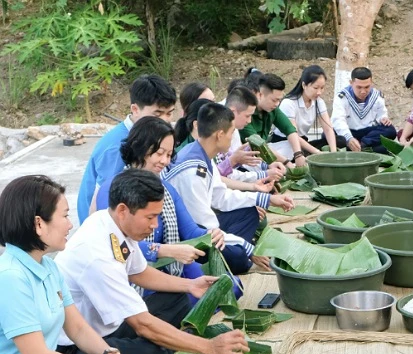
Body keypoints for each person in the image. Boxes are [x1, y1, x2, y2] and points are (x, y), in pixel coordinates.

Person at [0, 175, 152, 354]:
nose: (71, 224)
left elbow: (78, 328)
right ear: (38, 224)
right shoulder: (10, 277)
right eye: (65, 216)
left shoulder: (48, 267)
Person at [56, 169, 250, 354]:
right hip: (81, 344)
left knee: (178, 299)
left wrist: (190, 285)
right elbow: (142, 324)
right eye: (150, 217)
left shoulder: (110, 222)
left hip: (109, 324)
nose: (155, 225)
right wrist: (209, 347)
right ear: (123, 210)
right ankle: (160, 346)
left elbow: (139, 272)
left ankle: (162, 342)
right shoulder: (97, 256)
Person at [92, 117, 236, 304]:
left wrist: (211, 235)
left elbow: (191, 232)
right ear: (141, 148)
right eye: (159, 153)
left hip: (171, 268)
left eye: (169, 155)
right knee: (180, 303)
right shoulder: (113, 189)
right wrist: (166, 250)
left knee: (228, 287)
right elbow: (117, 246)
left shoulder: (167, 189)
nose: (164, 161)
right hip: (133, 275)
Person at [163, 102, 295, 273]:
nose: (233, 137)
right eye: (232, 132)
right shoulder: (192, 172)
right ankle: (233, 253)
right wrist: (248, 249)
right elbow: (204, 228)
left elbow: (222, 196)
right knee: (241, 259)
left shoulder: (202, 154)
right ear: (219, 134)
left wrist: (268, 199)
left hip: (207, 228)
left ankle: (237, 248)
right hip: (192, 238)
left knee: (250, 212)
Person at [77, 74, 176, 224]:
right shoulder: (115, 148)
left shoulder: (157, 137)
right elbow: (105, 202)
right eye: (158, 114)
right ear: (135, 109)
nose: (165, 121)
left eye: (169, 113)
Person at [175, 99, 277, 194]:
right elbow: (215, 186)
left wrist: (256, 183)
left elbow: (216, 180)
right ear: (197, 124)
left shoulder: (205, 150)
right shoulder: (192, 156)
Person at [273, 65, 345, 158]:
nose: (319, 92)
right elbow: (293, 135)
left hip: (303, 141)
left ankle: (310, 154)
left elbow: (328, 128)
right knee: (294, 152)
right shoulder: (289, 103)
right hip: (286, 142)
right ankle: (308, 155)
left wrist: (333, 152)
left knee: (340, 141)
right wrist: (317, 152)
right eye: (315, 88)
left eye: (322, 88)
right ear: (304, 85)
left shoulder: (319, 102)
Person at [239, 68, 307, 166]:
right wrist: (287, 162)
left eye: (279, 100)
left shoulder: (272, 109)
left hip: (266, 150)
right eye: (274, 100)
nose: (277, 104)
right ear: (259, 95)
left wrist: (298, 154)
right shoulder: (244, 113)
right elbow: (259, 145)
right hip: (249, 157)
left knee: (291, 144)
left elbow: (289, 129)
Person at [218, 86, 285, 184]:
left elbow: (239, 162)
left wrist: (267, 166)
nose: (249, 121)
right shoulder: (219, 133)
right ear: (233, 112)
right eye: (247, 116)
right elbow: (222, 175)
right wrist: (264, 174)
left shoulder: (234, 130)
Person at [331, 66, 397, 154]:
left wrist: (383, 119)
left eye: (367, 87)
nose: (363, 91)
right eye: (359, 87)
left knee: (390, 130)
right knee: (328, 134)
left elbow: (381, 113)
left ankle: (360, 146)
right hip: (349, 132)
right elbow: (338, 121)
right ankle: (366, 149)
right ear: (351, 83)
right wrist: (349, 138)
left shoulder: (377, 96)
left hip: (368, 134)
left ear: (371, 83)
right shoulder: (342, 98)